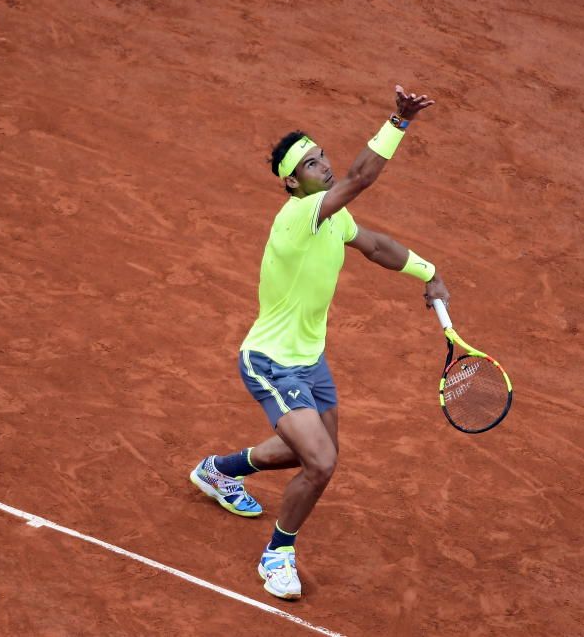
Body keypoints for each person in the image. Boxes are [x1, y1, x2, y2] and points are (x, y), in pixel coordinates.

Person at [189, 85, 450, 600]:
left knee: (318, 455)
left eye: (322, 155)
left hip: (309, 362)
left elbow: (375, 246)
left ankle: (219, 471)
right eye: (311, 164)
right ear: (291, 182)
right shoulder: (298, 216)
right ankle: (277, 555)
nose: (324, 166)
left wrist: (430, 272)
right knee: (321, 463)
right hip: (269, 362)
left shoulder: (333, 218)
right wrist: (397, 123)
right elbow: (361, 177)